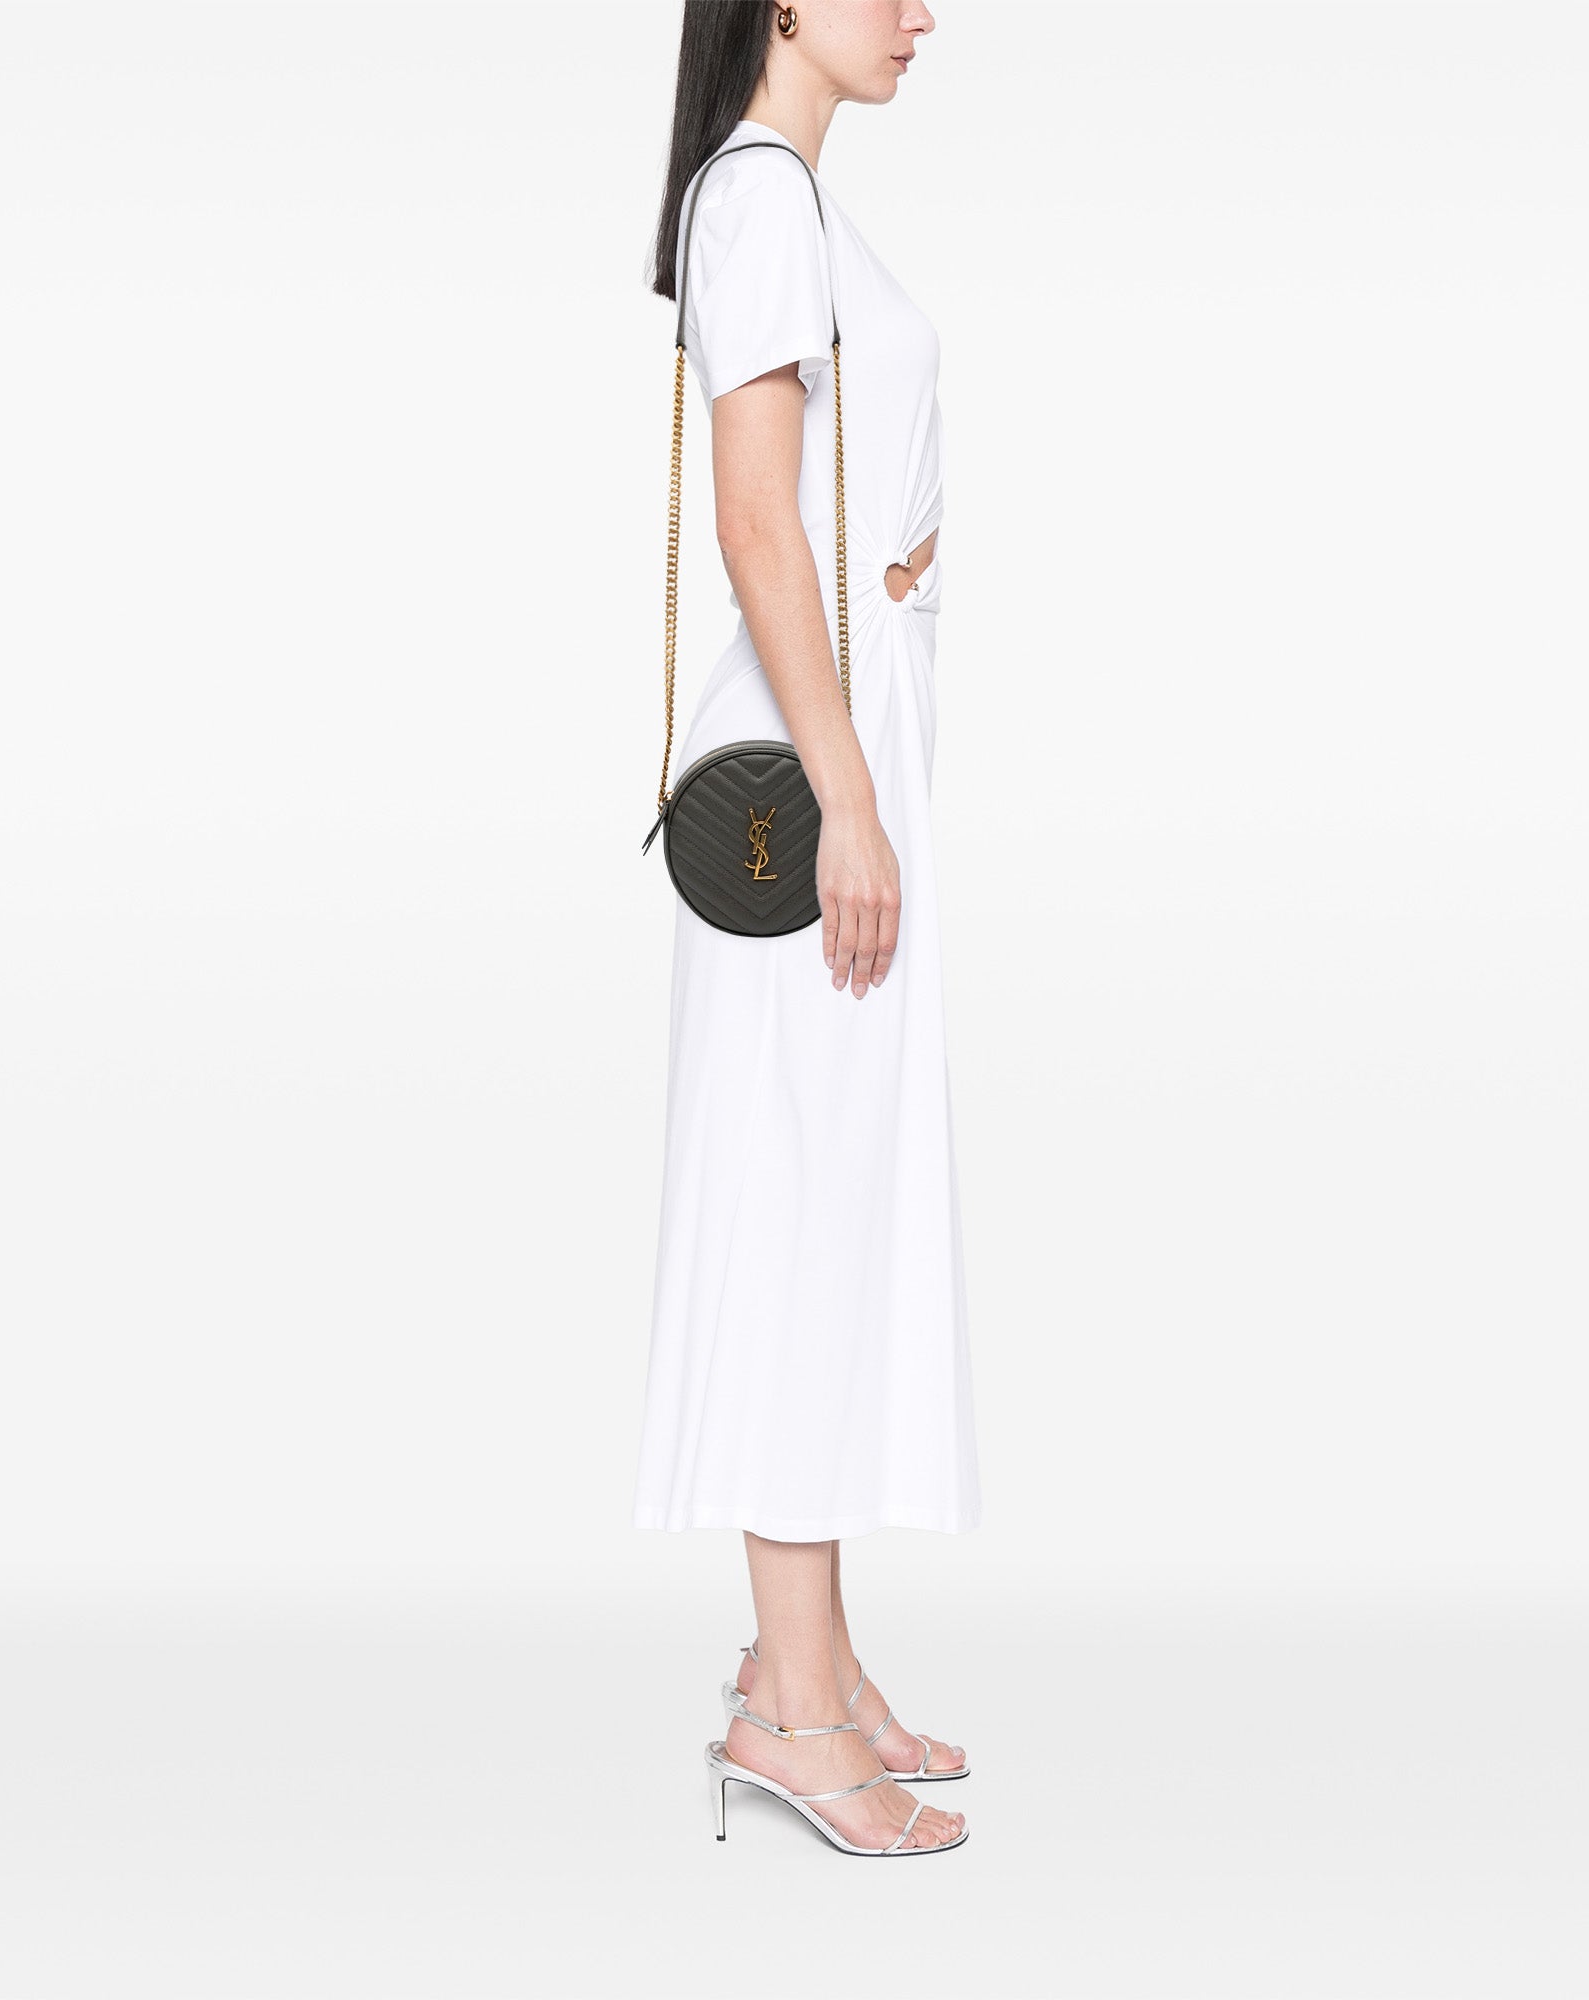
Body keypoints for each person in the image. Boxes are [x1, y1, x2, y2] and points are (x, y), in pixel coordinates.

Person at [635, 0, 976, 1858]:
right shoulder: (758, 198)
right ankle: (789, 1717)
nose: (922, 14)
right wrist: (848, 795)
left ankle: (808, 1671)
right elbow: (761, 524)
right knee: (795, 1208)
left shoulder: (791, 197)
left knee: (828, 1199)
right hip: (812, 769)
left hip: (853, 733)